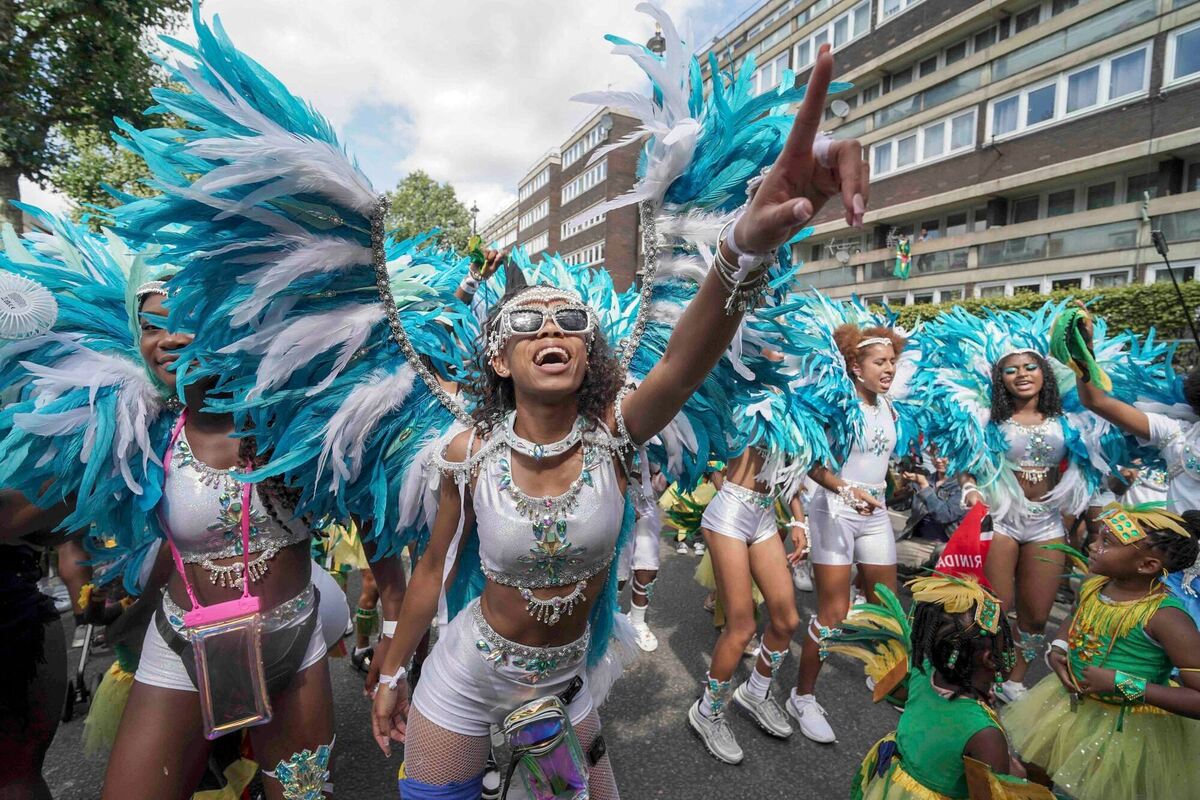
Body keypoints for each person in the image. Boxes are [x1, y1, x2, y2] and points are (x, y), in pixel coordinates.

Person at [913, 304, 1120, 705]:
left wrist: (1096, 519)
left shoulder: (1070, 420)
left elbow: (1090, 468)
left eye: (1030, 367)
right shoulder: (990, 419)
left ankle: (1016, 678)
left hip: (1047, 523)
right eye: (1012, 369)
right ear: (999, 379)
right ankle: (980, 673)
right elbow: (966, 462)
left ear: (1045, 374)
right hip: (1001, 517)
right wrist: (971, 490)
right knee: (995, 607)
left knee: (1037, 616)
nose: (1022, 375)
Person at [1002, 504, 1200, 800]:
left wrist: (1123, 685)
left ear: (1147, 565)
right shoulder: (1095, 585)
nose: (1093, 546)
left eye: (1107, 542)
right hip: (1067, 710)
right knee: (1037, 772)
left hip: (1126, 732)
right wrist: (1059, 647)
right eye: (1098, 538)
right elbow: (1075, 616)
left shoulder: (1167, 618)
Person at [790, 317, 914, 743]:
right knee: (833, 614)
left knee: (886, 603)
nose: (889, 369)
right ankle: (802, 696)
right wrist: (845, 487)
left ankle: (881, 672)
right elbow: (811, 463)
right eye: (880, 362)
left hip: (874, 513)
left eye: (892, 361)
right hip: (834, 510)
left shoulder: (888, 406)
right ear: (856, 368)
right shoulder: (838, 408)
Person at [835, 575, 1053, 800]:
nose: (1010, 650)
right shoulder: (985, 734)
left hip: (892, 786)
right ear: (990, 659)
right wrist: (1016, 772)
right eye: (1006, 643)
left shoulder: (923, 670)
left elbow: (899, 697)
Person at [901, 454, 966, 542]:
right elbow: (900, 506)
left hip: (944, 547)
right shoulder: (925, 479)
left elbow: (944, 515)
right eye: (935, 455)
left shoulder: (961, 487)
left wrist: (924, 487)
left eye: (944, 456)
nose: (938, 460)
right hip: (914, 537)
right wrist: (899, 486)